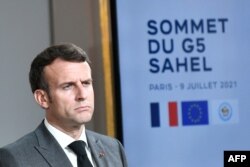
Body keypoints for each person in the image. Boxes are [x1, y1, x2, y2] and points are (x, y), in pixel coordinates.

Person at [0, 43, 128, 167]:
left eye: (86, 83)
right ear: (42, 98)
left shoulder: (113, 148)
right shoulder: (15, 158)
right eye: (68, 86)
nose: (82, 95)